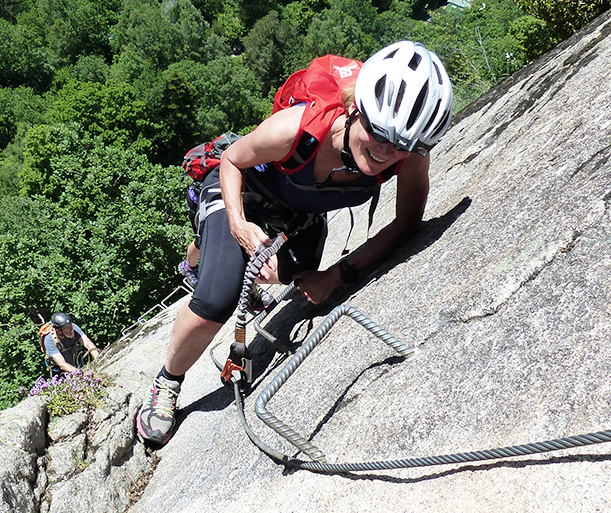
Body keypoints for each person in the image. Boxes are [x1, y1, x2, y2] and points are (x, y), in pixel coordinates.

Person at [137, 41, 453, 445]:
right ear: (356, 109)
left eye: (401, 146)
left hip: (299, 209)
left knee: (297, 276)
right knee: (217, 297)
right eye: (377, 133)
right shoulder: (299, 128)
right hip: (243, 186)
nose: (384, 152)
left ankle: (217, 255)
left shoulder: (410, 151)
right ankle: (168, 381)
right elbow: (233, 159)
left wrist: (336, 276)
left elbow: (407, 222)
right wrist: (238, 224)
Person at [43, 312, 100, 377]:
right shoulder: (49, 340)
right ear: (58, 331)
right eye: (67, 328)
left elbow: (88, 344)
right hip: (60, 370)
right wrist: (82, 375)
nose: (71, 330)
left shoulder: (73, 327)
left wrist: (98, 360)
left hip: (75, 360)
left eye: (71, 326)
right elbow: (62, 364)